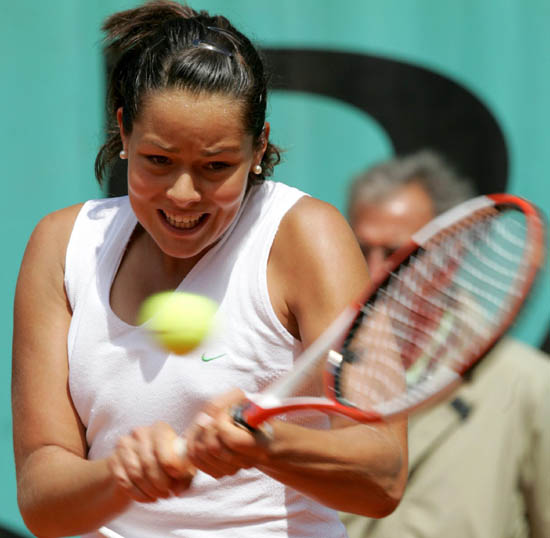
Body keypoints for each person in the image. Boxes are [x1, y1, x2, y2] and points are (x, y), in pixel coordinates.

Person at [11, 2, 408, 537]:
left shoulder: (307, 236)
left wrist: (267, 447)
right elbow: (42, 500)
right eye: (159, 160)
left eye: (216, 167)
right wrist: (124, 475)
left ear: (259, 145)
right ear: (124, 132)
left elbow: (382, 476)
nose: (183, 194)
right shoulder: (61, 244)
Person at [340, 150, 550, 538]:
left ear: (452, 256)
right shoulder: (306, 369)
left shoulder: (532, 386)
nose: (373, 272)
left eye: (396, 254)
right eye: (359, 248)